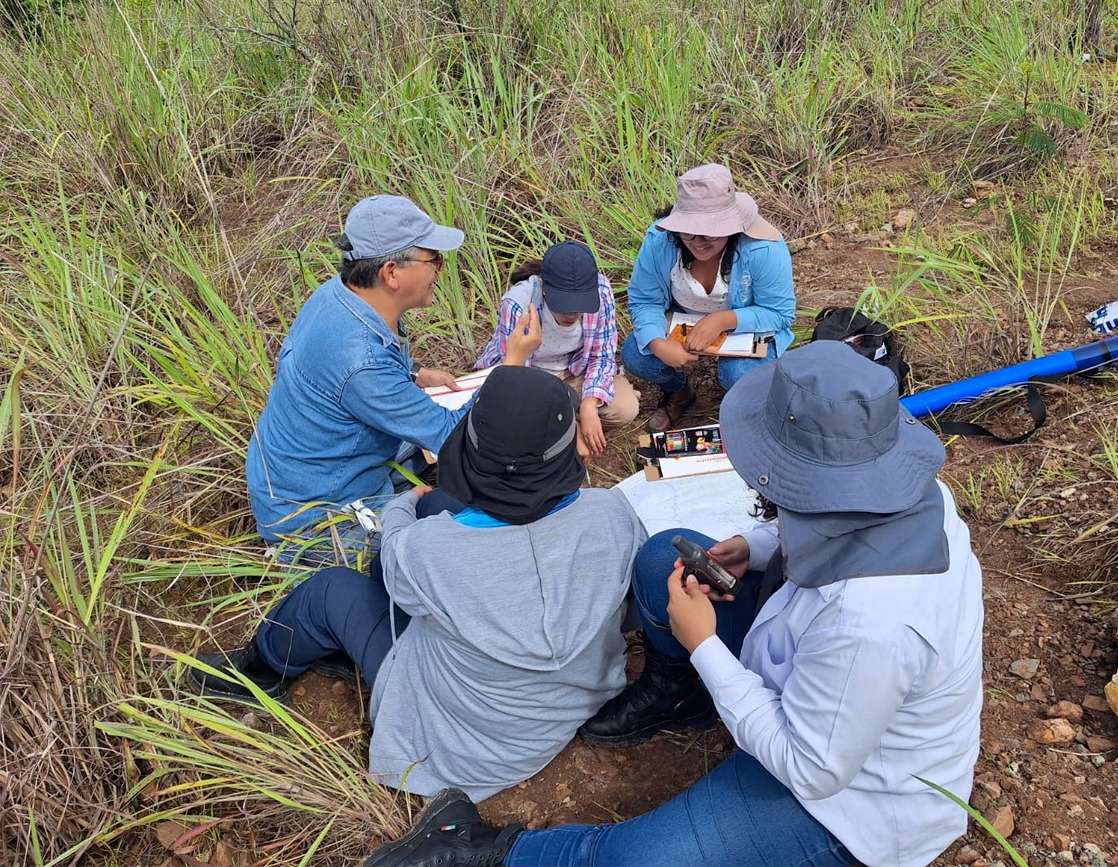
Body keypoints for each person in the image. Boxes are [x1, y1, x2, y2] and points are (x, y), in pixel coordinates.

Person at [363, 342, 986, 867]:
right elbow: (834, 524)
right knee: (667, 557)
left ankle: (486, 853)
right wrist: (757, 545)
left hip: (848, 800)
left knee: (632, 859)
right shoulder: (896, 489)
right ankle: (682, 696)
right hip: (810, 684)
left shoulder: (873, 624)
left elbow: (812, 768)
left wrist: (705, 646)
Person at [194, 366, 647, 801]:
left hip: (460, 747)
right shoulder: (612, 514)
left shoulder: (427, 551)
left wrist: (403, 504)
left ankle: (257, 673)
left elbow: (393, 557)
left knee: (329, 592)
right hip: (575, 699)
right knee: (440, 509)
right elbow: (627, 608)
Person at [245, 195, 541, 566]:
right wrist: (511, 364)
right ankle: (304, 558)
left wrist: (415, 373)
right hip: (316, 515)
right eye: (433, 259)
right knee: (447, 550)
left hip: (303, 470)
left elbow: (355, 368)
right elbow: (455, 436)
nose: (440, 269)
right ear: (391, 273)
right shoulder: (363, 362)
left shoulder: (336, 295)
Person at [623, 163, 796, 433]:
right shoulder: (660, 240)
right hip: (681, 318)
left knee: (738, 374)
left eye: (710, 233)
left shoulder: (764, 247)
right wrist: (659, 344)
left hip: (744, 326)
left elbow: (780, 313)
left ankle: (744, 404)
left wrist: (723, 320)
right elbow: (645, 300)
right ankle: (679, 392)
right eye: (688, 231)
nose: (698, 242)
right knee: (637, 354)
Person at [473, 240, 638, 457]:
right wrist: (571, 429)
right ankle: (561, 428)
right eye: (563, 305)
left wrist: (589, 405)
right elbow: (514, 377)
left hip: (573, 373)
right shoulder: (517, 305)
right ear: (543, 285)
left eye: (580, 306)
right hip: (529, 379)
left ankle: (561, 423)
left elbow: (601, 356)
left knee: (625, 408)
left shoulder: (602, 291)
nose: (571, 314)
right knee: (507, 423)